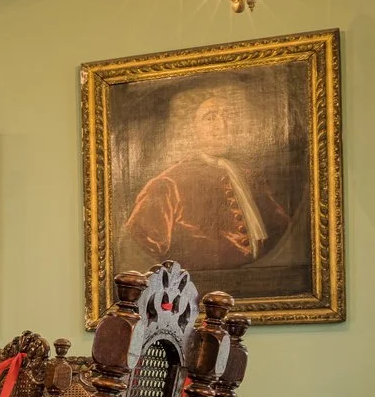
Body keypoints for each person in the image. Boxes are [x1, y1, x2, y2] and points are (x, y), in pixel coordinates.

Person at [120, 85, 291, 273]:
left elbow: (284, 233)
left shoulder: (251, 178)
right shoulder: (167, 185)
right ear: (191, 129)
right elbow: (138, 254)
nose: (222, 126)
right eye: (210, 118)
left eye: (229, 117)